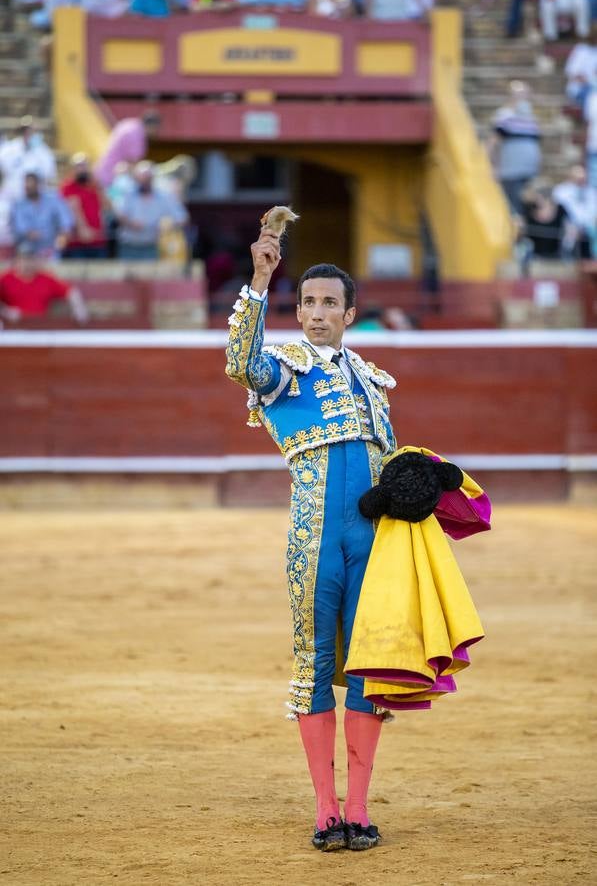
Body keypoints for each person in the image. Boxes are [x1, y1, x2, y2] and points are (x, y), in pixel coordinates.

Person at [225, 225, 397, 852]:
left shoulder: (374, 383)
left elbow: (390, 465)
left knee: (370, 670)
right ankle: (326, 810)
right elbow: (240, 363)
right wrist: (262, 280)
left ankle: (359, 805)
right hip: (316, 537)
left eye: (329, 304)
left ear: (349, 314)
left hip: (373, 543)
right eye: (307, 304)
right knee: (316, 666)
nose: (316, 314)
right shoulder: (285, 373)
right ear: (295, 312)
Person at [487, 80, 542, 215]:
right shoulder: (505, 116)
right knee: (514, 209)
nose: (522, 97)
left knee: (528, 207)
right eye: (519, 94)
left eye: (525, 94)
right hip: (511, 172)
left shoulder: (531, 118)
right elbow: (493, 143)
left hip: (529, 172)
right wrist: (493, 167)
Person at [116, 161, 188, 260]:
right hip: (129, 246)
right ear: (136, 178)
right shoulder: (128, 195)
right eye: (142, 177)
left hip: (152, 247)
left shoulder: (164, 197)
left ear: (152, 178)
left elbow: (182, 218)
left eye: (147, 177)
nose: (144, 180)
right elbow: (119, 215)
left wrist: (168, 226)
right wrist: (130, 223)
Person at [0, 247, 88, 324]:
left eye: (30, 259)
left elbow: (71, 292)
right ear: (16, 261)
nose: (27, 263)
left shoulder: (46, 279)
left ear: (36, 261)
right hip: (13, 328)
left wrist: (79, 308)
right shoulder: (5, 279)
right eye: (23, 259)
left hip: (40, 326)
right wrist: (6, 312)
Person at [10, 172, 73, 258]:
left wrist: (63, 234)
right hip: (28, 249)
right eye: (27, 186)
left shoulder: (53, 200)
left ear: (38, 185)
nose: (28, 188)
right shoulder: (19, 204)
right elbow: (20, 227)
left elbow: (66, 220)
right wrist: (32, 234)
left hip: (53, 248)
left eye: (31, 185)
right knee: (25, 250)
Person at [94, 110, 161, 188]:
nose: (156, 132)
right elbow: (134, 163)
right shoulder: (137, 134)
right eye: (157, 129)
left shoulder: (128, 124)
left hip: (101, 171)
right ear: (152, 126)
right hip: (112, 180)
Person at [60, 153, 109, 259]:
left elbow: (106, 206)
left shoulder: (95, 185)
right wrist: (83, 229)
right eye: (78, 166)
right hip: (77, 243)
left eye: (84, 166)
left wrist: (99, 188)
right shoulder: (68, 186)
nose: (81, 169)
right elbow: (73, 208)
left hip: (97, 241)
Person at [0, 116, 57, 200]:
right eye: (25, 130)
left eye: (31, 131)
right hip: (12, 197)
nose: (27, 133)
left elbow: (49, 175)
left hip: (33, 199)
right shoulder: (10, 148)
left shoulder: (44, 152)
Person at [552, 164, 597, 257]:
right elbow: (559, 212)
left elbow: (593, 211)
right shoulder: (561, 191)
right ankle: (566, 256)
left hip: (589, 227)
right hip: (568, 226)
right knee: (570, 230)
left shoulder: (591, 191)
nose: (580, 180)